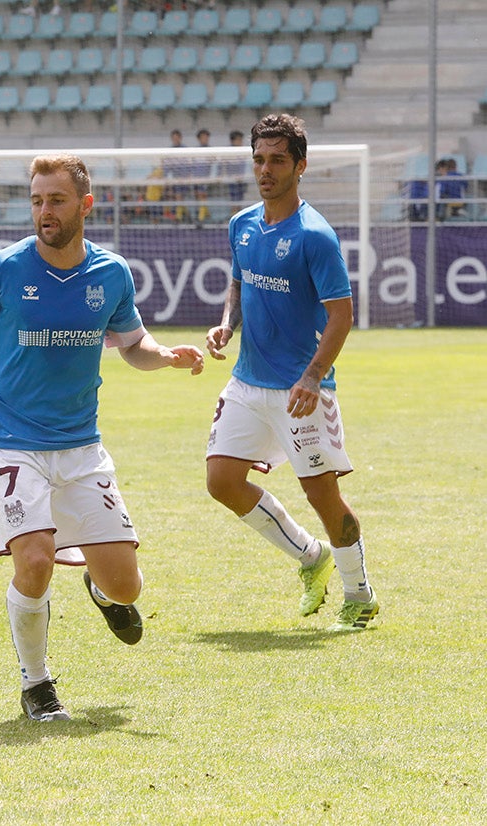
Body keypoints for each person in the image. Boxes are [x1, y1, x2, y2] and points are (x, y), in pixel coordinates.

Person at [0, 153, 206, 722]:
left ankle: (97, 582)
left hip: (81, 445)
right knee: (36, 559)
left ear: (85, 205)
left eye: (57, 200)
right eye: (38, 200)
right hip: (7, 438)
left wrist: (164, 356)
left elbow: (131, 343)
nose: (45, 211)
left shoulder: (111, 273)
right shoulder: (1, 269)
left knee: (126, 588)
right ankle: (36, 685)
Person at [203, 113, 379, 632]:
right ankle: (310, 557)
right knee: (221, 480)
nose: (265, 169)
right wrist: (225, 326)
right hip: (247, 380)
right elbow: (238, 285)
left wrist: (312, 376)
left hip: (301, 389)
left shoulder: (316, 236)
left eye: (277, 159)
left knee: (322, 495)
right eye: (258, 159)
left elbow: (342, 315)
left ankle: (360, 594)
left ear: (300, 166)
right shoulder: (242, 224)